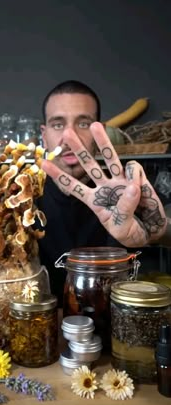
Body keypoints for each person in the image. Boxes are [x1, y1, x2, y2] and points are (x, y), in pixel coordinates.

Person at [36, 80, 169, 305]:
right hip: (42, 328)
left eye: (84, 123)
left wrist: (159, 231)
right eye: (58, 124)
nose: (70, 136)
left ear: (101, 132)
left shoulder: (128, 191)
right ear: (44, 135)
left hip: (119, 327)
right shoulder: (19, 197)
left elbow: (163, 232)